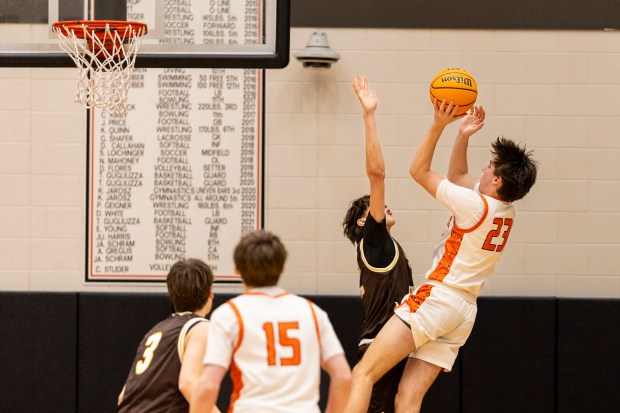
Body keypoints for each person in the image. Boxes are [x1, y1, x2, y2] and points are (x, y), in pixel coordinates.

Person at [343, 99, 538, 413]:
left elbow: (418, 171)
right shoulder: (505, 209)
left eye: (490, 166)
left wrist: (438, 124)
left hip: (439, 299)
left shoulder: (475, 205)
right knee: (408, 399)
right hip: (464, 312)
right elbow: (459, 175)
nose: (485, 168)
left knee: (363, 373)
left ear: (498, 180)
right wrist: (462, 135)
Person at [191, 230, 352, 413]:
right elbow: (343, 376)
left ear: (237, 269)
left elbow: (208, 386)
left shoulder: (229, 314)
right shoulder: (313, 312)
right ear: (282, 267)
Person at [342, 76, 414, 413]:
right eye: (371, 207)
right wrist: (369, 115)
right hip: (380, 344)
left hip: (397, 343)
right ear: (363, 222)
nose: (382, 205)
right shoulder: (374, 242)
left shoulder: (386, 248)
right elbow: (377, 175)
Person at [117, 258, 220, 413]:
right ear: (210, 292)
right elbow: (188, 384)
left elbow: (123, 396)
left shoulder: (156, 331)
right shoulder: (200, 327)